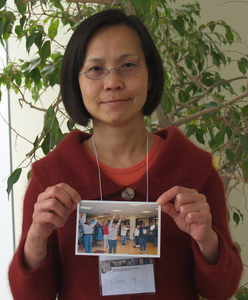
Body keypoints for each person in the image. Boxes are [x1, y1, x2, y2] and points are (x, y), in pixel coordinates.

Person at [8, 8, 243, 300]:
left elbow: (221, 289)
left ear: (151, 74)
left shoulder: (195, 171)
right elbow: (29, 295)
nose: (113, 82)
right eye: (96, 69)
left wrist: (207, 240)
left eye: (128, 65)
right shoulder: (50, 178)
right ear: (75, 81)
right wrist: (36, 238)